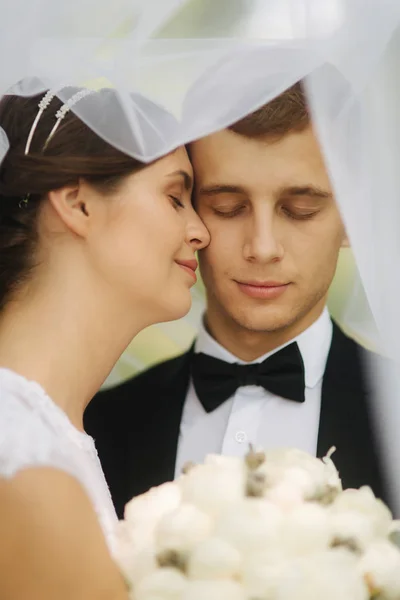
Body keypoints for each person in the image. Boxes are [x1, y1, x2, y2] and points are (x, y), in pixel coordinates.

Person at [85, 82, 391, 518]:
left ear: (350, 220)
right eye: (228, 207)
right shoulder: (97, 425)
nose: (262, 247)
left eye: (300, 209)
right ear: (187, 210)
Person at [0, 89, 209, 599]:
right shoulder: (23, 456)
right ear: (78, 203)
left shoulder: (50, 435)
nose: (200, 231)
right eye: (176, 198)